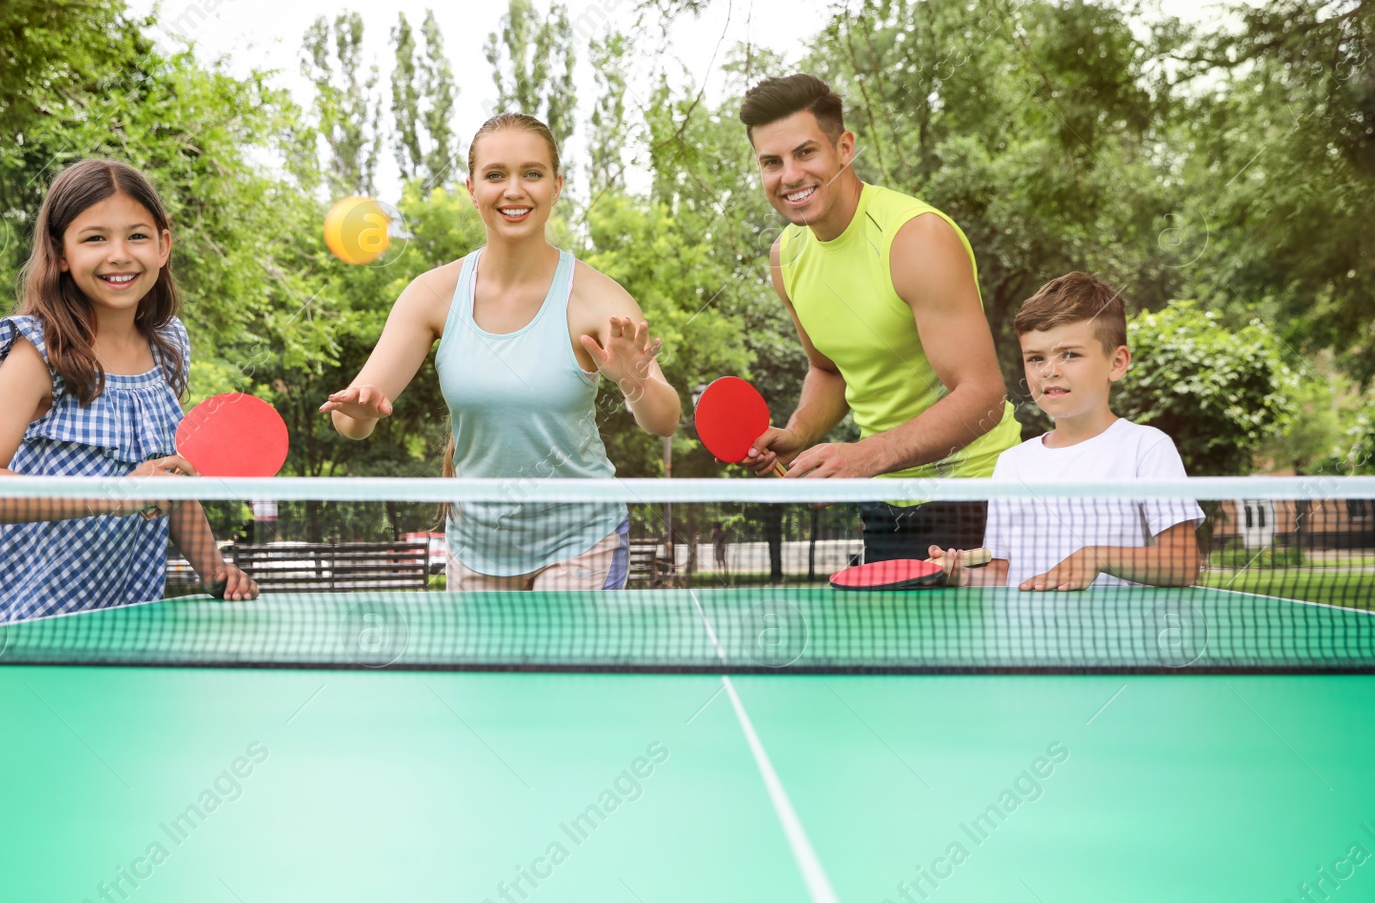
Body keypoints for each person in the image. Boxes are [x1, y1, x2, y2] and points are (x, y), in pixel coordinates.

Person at [321, 113, 680, 590]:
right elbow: (349, 423)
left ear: (556, 186)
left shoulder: (597, 299)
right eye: (496, 175)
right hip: (476, 547)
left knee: (557, 669)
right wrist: (361, 411)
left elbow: (665, 420)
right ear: (472, 188)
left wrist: (634, 381)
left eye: (532, 173)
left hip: (581, 541)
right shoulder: (432, 294)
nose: (514, 190)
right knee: (487, 670)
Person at [0, 158, 256, 624]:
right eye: (95, 238)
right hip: (31, 627)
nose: (119, 255)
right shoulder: (39, 353)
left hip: (130, 620)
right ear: (61, 253)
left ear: (163, 246)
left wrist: (214, 571)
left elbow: (166, 483)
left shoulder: (169, 345)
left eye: (137, 236)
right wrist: (113, 493)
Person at [738, 73, 1021, 561]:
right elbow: (829, 369)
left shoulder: (916, 238)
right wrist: (798, 434)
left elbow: (983, 397)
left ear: (844, 148)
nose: (789, 176)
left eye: (806, 153)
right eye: (771, 162)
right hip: (884, 502)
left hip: (977, 495)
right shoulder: (786, 257)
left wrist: (866, 456)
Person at [931, 272, 1203, 589]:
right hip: (1029, 638)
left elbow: (1183, 564)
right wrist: (959, 575)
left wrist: (1097, 557)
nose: (1049, 370)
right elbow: (1003, 573)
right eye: (1035, 358)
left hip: (1121, 637)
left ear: (1117, 363)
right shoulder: (1012, 463)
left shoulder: (1148, 448)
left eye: (1070, 354)